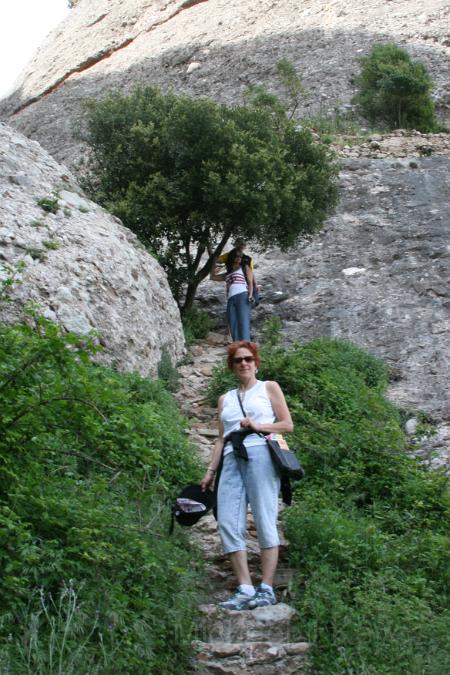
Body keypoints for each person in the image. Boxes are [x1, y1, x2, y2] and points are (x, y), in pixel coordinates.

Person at [200, 341, 294, 611]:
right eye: (238, 360)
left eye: (249, 359)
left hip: (260, 453)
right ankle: (244, 587)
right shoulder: (225, 399)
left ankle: (266, 587)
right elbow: (221, 439)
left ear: (256, 362)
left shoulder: (269, 387)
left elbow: (287, 424)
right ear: (231, 366)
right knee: (227, 521)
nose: (244, 363)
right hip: (230, 458)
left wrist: (257, 425)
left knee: (264, 517)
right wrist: (210, 471)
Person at [210, 249, 253, 341]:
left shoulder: (244, 267)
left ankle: (246, 349)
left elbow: (250, 283)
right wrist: (213, 266)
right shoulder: (227, 273)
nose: (239, 258)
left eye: (240, 257)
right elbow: (212, 277)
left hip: (242, 296)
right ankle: (237, 348)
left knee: (243, 322)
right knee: (233, 323)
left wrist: (250, 295)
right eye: (237, 256)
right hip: (231, 299)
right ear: (232, 257)